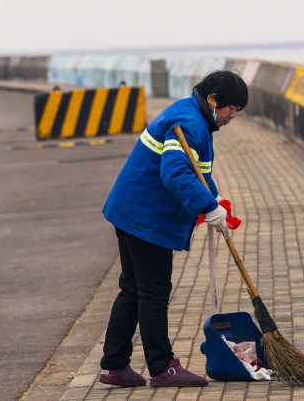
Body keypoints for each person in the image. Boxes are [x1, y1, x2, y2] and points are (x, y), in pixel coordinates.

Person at [99, 70, 248, 388]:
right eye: (230, 109)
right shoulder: (191, 124)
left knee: (133, 289)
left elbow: (197, 169)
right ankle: (162, 368)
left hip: (130, 209)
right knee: (153, 292)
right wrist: (208, 208)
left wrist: (214, 196)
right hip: (145, 218)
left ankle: (114, 365)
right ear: (213, 100)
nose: (232, 116)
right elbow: (176, 173)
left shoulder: (189, 112)